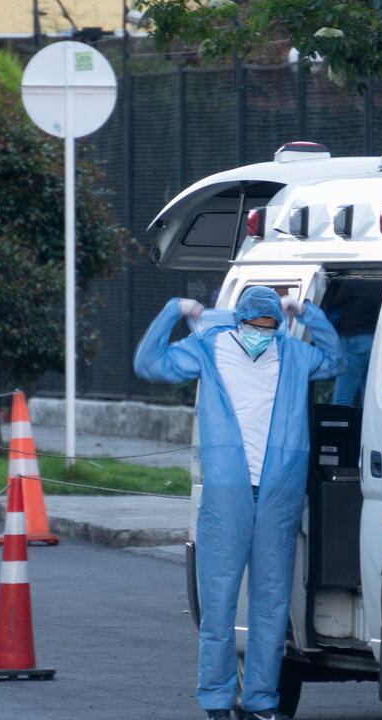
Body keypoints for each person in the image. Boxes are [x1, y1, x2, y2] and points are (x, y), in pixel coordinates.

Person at [134, 287, 344, 720]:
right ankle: (215, 700)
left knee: (270, 606)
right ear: (238, 322)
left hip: (278, 495)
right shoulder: (209, 349)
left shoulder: (293, 354)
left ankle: (261, 703)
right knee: (219, 603)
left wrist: (306, 312)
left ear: (280, 326)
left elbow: (338, 359)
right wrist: (175, 308)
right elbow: (147, 363)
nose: (260, 335)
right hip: (227, 495)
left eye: (270, 327)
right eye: (254, 327)